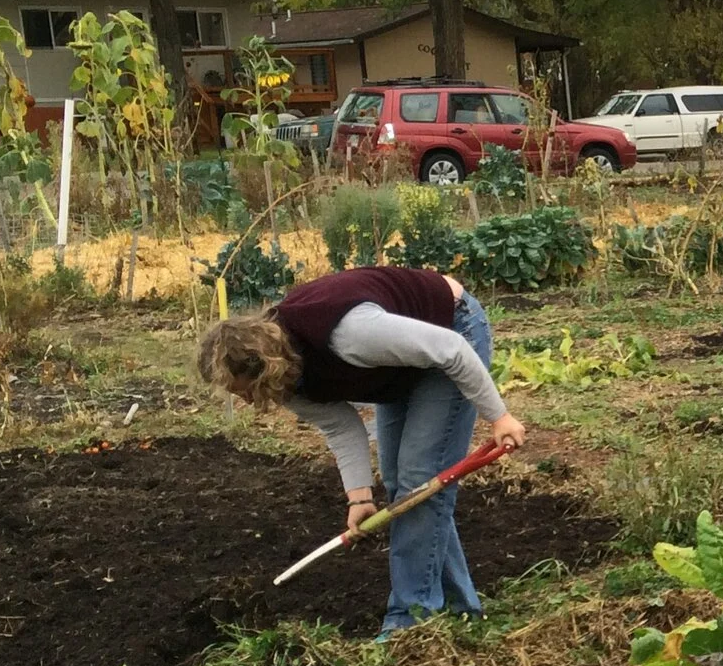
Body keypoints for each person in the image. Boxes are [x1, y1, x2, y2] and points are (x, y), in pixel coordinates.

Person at [197, 266, 528, 636]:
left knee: (419, 482)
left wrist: (499, 417)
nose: (245, 399)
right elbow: (341, 425)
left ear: (263, 365)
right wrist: (358, 498)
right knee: (402, 487)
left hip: (452, 329)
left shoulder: (346, 334)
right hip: (397, 368)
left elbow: (450, 350)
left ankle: (409, 622)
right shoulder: (285, 379)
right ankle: (462, 608)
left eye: (243, 389)